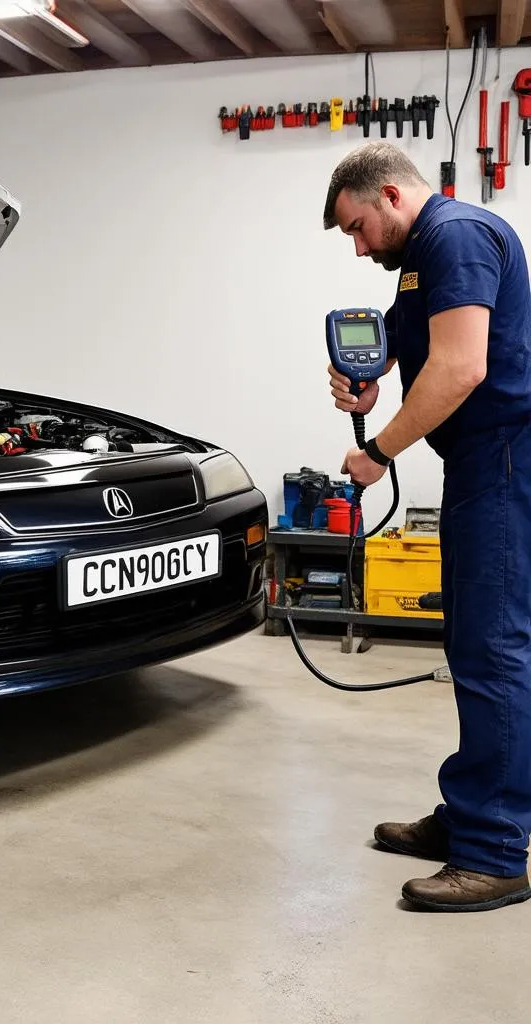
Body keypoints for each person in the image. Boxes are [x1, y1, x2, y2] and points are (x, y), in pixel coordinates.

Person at [323, 140, 531, 912]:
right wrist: (367, 371)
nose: (357, 244)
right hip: (483, 466)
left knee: (493, 649)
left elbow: (461, 368)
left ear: (389, 195)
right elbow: (411, 339)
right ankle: (474, 813)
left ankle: (494, 853)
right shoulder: (423, 264)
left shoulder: (454, 235)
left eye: (357, 227)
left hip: (504, 460)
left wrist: (378, 448)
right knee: (477, 644)